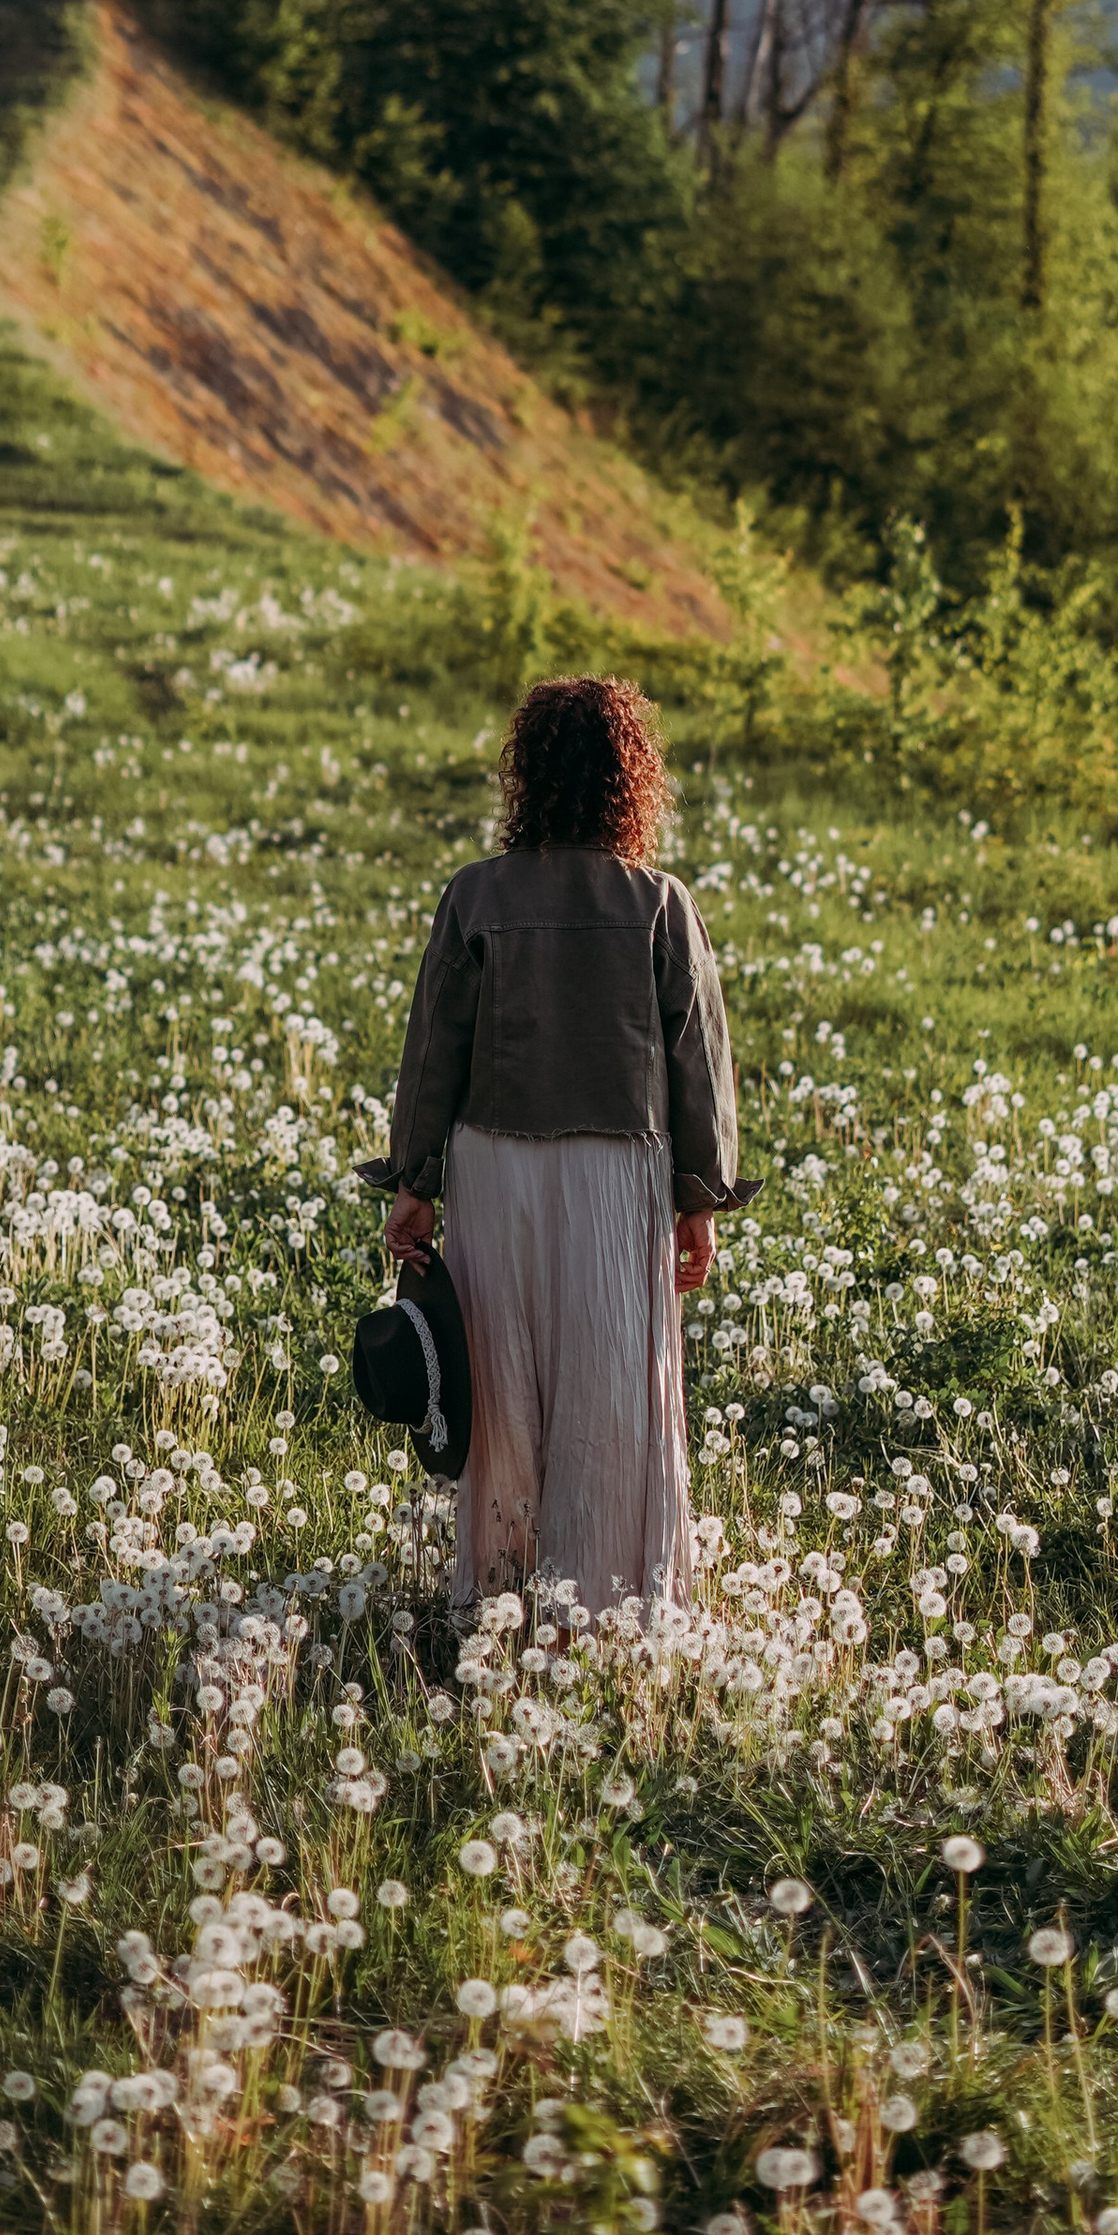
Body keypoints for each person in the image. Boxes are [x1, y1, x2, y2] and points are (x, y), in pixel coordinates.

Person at [362, 673, 755, 1616]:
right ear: (633, 779)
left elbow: (434, 1049)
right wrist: (699, 1201)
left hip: (495, 1169)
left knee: (499, 1384)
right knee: (612, 1386)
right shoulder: (661, 904)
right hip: (622, 1172)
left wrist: (413, 1186)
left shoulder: (476, 898)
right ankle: (609, 1601)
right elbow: (698, 1059)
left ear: (526, 778)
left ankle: (500, 1589)